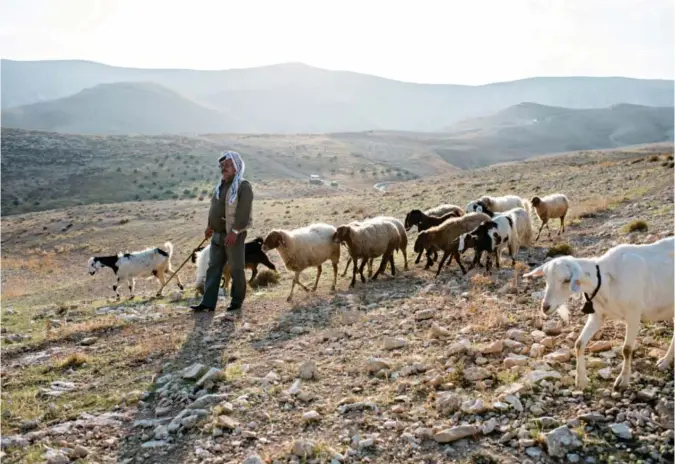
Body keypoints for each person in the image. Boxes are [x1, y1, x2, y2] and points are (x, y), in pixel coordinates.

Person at [190, 150, 253, 312]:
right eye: (223, 165)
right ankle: (208, 303)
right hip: (217, 234)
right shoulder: (221, 185)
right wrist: (210, 226)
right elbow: (215, 208)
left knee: (236, 268)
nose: (224, 168)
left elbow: (243, 213)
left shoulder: (243, 186)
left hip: (234, 235)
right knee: (213, 268)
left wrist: (235, 232)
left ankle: (237, 301)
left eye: (228, 165)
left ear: (237, 167)